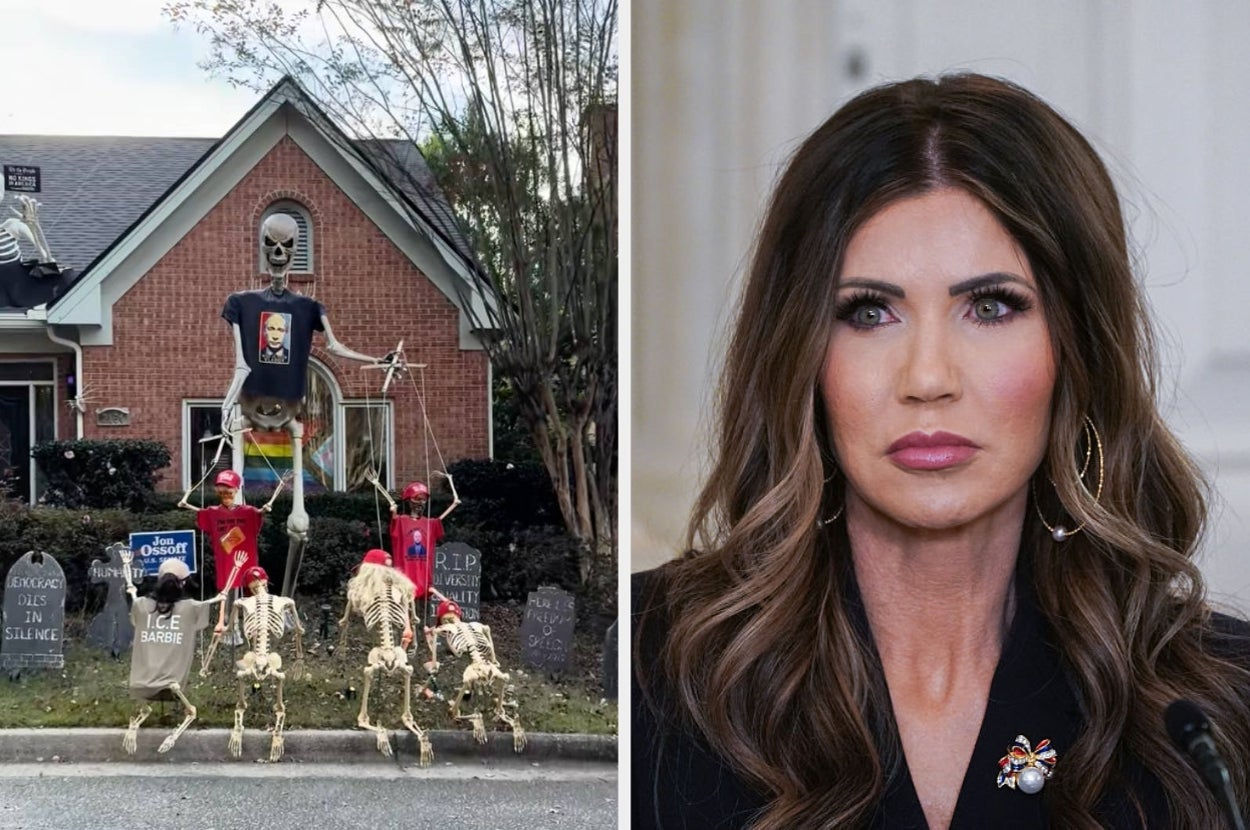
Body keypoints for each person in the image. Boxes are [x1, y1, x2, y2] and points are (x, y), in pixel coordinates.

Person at [632, 73, 1250, 830]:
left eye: (990, 307)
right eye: (870, 312)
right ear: (802, 358)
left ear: (1076, 350)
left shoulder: (1215, 708)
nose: (928, 378)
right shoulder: (654, 673)